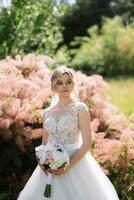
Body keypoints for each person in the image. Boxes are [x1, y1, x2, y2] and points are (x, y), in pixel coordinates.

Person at [17, 66, 119, 200]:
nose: (65, 86)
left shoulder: (80, 108)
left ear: (73, 84)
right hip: (50, 163)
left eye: (68, 81)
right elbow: (44, 143)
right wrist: (44, 164)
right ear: (53, 87)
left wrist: (67, 166)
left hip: (76, 163)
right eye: (59, 82)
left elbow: (87, 143)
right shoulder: (47, 112)